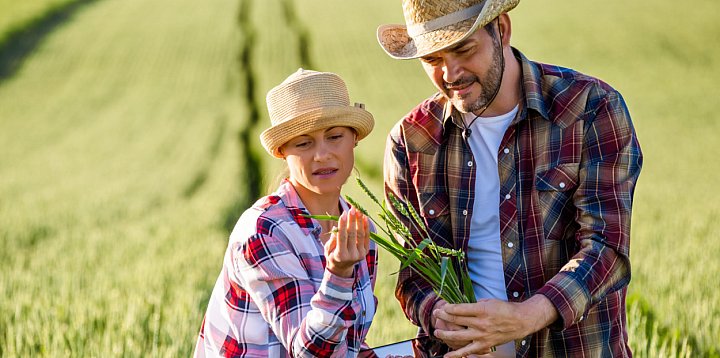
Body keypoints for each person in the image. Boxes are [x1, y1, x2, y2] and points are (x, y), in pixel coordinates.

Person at [377, 0, 643, 357]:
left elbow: (605, 249)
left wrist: (525, 317)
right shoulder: (411, 140)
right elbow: (413, 273)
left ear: (501, 29)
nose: (450, 73)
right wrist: (442, 316)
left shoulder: (590, 109)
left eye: (462, 49)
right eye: (433, 60)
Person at [194, 69, 378, 357]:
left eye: (335, 136)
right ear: (282, 152)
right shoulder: (263, 231)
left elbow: (348, 340)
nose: (322, 154)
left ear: (354, 139)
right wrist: (339, 272)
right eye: (303, 143)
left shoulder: (359, 228)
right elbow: (308, 351)